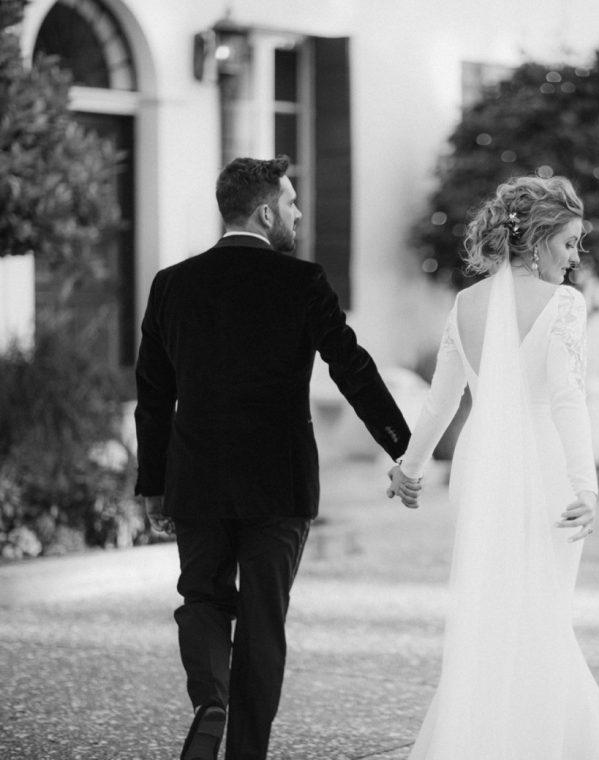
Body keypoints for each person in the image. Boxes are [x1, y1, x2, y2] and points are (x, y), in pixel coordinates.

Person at [135, 155, 418, 760]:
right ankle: (246, 754)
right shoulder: (303, 281)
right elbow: (352, 369)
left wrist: (153, 485)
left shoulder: (171, 284)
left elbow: (153, 398)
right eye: (291, 204)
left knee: (203, 599)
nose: (297, 214)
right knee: (264, 621)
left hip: (198, 477)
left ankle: (210, 703)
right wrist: (405, 447)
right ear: (265, 212)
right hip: (278, 484)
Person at [389, 175, 599, 759]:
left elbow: (441, 401)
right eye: (570, 243)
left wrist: (410, 467)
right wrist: (587, 486)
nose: (576, 259)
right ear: (539, 239)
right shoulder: (563, 306)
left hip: (481, 468)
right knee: (543, 611)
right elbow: (567, 398)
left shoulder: (466, 303)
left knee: (494, 608)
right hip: (549, 470)